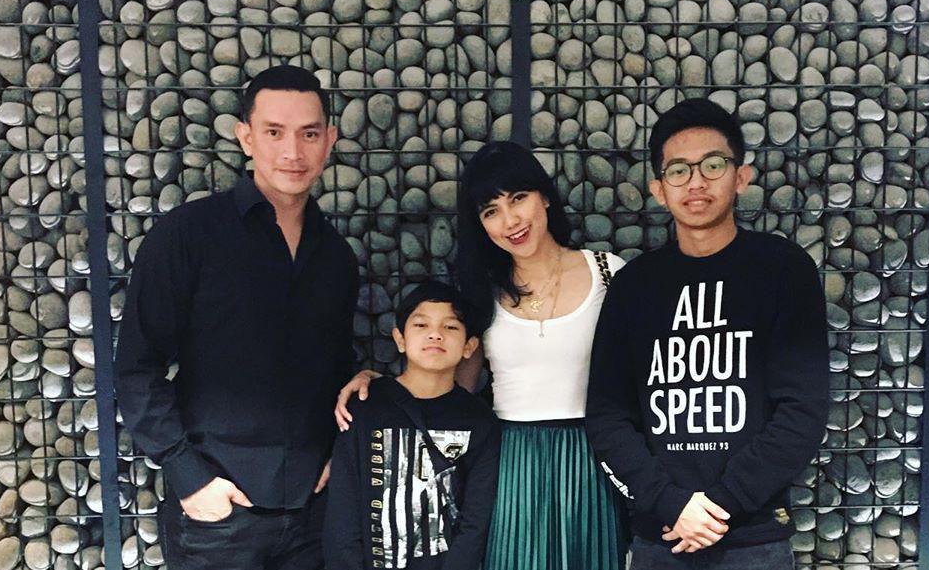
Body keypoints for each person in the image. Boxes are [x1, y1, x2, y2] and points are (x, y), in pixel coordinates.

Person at [336, 141, 629, 570]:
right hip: (509, 461)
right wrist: (378, 386)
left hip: (595, 455)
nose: (510, 221)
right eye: (491, 211)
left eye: (518, 199)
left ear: (545, 196)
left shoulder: (608, 273)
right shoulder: (482, 293)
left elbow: (643, 376)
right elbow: (450, 388)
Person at [114, 65, 358, 570]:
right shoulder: (188, 236)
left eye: (309, 133)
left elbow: (333, 365)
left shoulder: (336, 255)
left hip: (314, 513)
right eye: (274, 132)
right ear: (245, 138)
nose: (293, 152)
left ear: (329, 140)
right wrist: (188, 476)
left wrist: (341, 452)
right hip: (217, 518)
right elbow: (137, 367)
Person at [584, 98, 829, 569]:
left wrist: (721, 504)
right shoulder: (635, 286)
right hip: (662, 534)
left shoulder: (783, 270)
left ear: (741, 176)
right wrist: (671, 503)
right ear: (659, 190)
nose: (696, 182)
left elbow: (802, 411)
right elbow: (608, 415)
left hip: (753, 537)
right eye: (678, 170)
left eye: (713, 165)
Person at [323, 280, 501, 570]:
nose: (435, 334)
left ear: (469, 346)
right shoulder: (365, 407)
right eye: (421, 325)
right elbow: (343, 509)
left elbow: (475, 521)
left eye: (450, 327)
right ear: (400, 339)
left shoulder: (480, 421)